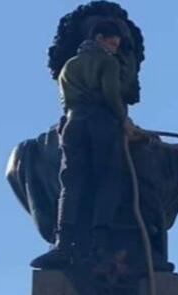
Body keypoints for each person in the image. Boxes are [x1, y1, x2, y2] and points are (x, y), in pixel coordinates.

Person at [31, 20, 140, 268]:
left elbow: (65, 102)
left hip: (73, 124)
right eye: (112, 42)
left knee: (71, 183)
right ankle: (100, 243)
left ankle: (63, 243)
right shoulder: (108, 63)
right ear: (99, 38)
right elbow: (111, 95)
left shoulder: (69, 66)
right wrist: (124, 121)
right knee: (108, 180)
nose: (114, 48)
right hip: (102, 123)